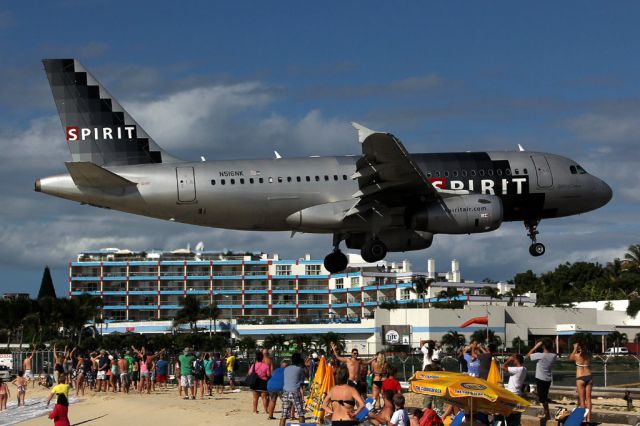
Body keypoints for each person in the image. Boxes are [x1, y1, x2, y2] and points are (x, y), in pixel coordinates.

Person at [527, 339, 557, 421]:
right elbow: (552, 351)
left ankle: (547, 414)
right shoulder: (553, 356)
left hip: (540, 378)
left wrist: (535, 347)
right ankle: (546, 413)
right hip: (548, 379)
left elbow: (528, 354)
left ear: (543, 346)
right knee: (543, 397)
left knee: (542, 399)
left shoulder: (539, 355)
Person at [279, 353, 307, 426]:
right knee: (300, 414)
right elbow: (305, 378)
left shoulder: (286, 369)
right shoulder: (300, 369)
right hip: (295, 392)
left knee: (283, 416)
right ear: (299, 360)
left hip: (285, 392)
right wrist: (303, 365)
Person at [500, 354, 527, 426]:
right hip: (518, 394)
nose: (513, 361)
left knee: (510, 415)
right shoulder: (524, 369)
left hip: (512, 394)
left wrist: (508, 360)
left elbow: (502, 367)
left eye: (514, 359)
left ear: (517, 360)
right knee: (516, 414)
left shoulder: (516, 369)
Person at [569, 341, 592, 422]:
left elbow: (570, 358)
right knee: (588, 399)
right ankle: (589, 418)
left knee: (582, 400)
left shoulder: (577, 356)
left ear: (579, 347)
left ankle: (584, 419)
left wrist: (575, 348)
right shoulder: (589, 355)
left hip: (580, 377)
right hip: (589, 376)